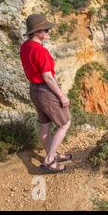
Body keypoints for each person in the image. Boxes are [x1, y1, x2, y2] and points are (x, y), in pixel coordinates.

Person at [20, 13, 72, 173]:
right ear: (37, 32)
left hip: (34, 90)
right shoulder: (40, 51)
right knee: (64, 123)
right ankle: (49, 161)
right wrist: (62, 96)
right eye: (46, 29)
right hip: (45, 90)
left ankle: (53, 154)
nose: (49, 32)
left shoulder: (26, 46)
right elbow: (48, 77)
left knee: (45, 124)